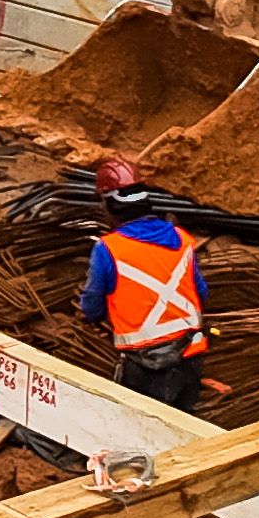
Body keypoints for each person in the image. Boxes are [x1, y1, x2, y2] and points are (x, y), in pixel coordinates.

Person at [74, 155, 209, 412]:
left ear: (110, 206)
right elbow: (201, 293)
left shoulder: (108, 249)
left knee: (143, 430)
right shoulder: (182, 240)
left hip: (146, 364)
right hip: (191, 354)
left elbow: (91, 308)